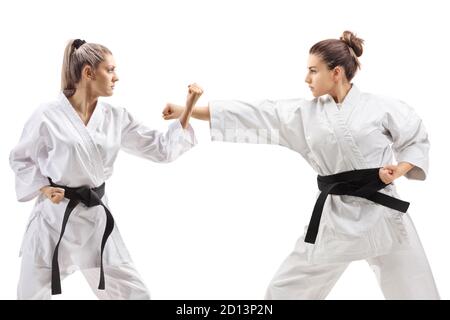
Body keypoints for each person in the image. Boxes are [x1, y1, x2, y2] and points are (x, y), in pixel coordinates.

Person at [162, 31, 440, 299]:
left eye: (313, 70)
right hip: (336, 217)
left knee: (416, 290)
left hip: (382, 212)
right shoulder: (304, 115)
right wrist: (186, 111)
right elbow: (254, 114)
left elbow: (414, 135)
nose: (306, 78)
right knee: (285, 291)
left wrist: (399, 170)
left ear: (336, 73)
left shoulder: (381, 106)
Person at [9, 39, 202, 300]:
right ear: (88, 73)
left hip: (95, 221)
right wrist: (43, 186)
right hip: (53, 222)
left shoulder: (116, 117)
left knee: (135, 295)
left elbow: (161, 149)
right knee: (30, 295)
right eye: (110, 70)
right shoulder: (47, 115)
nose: (116, 77)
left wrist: (189, 106)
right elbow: (20, 158)